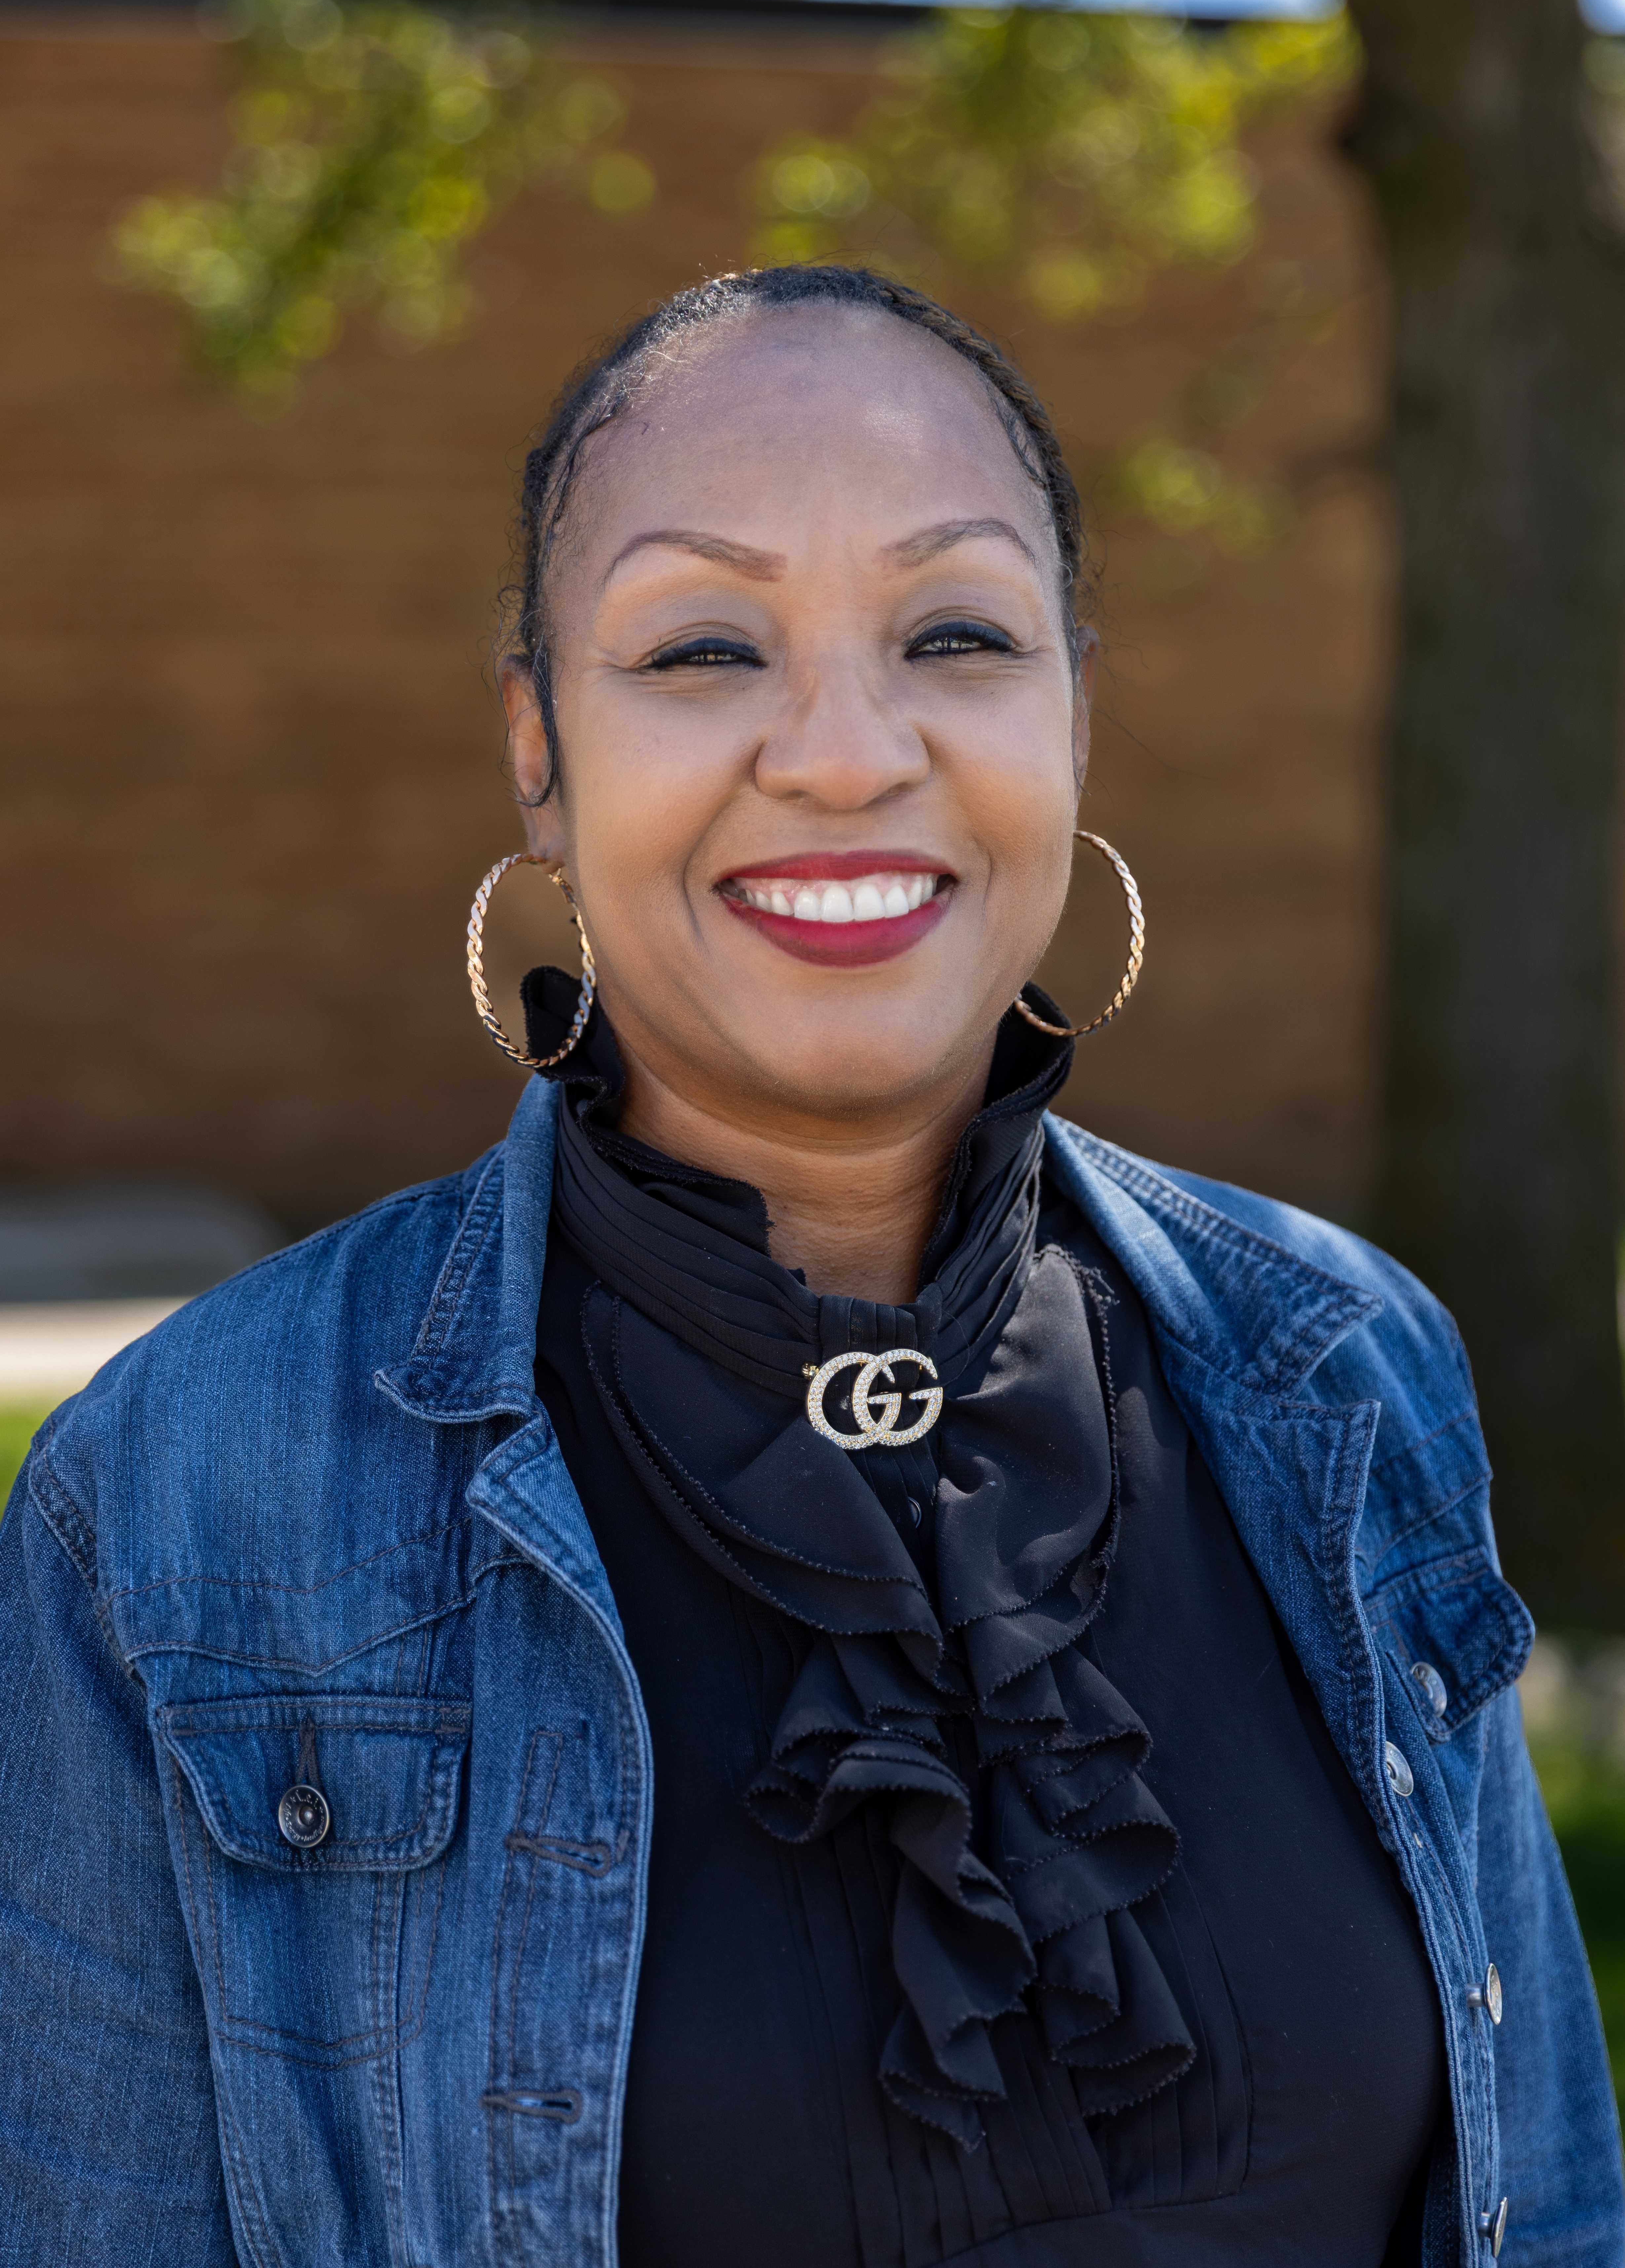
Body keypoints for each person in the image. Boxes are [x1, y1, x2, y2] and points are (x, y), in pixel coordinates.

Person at [0, 266, 1617, 2268]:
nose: (848, 755)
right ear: (537, 751)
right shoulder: (182, 1495)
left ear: (1075, 713)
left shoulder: (1345, 1365)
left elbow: (1543, 2205)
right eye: (699, 647)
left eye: (955, 633)